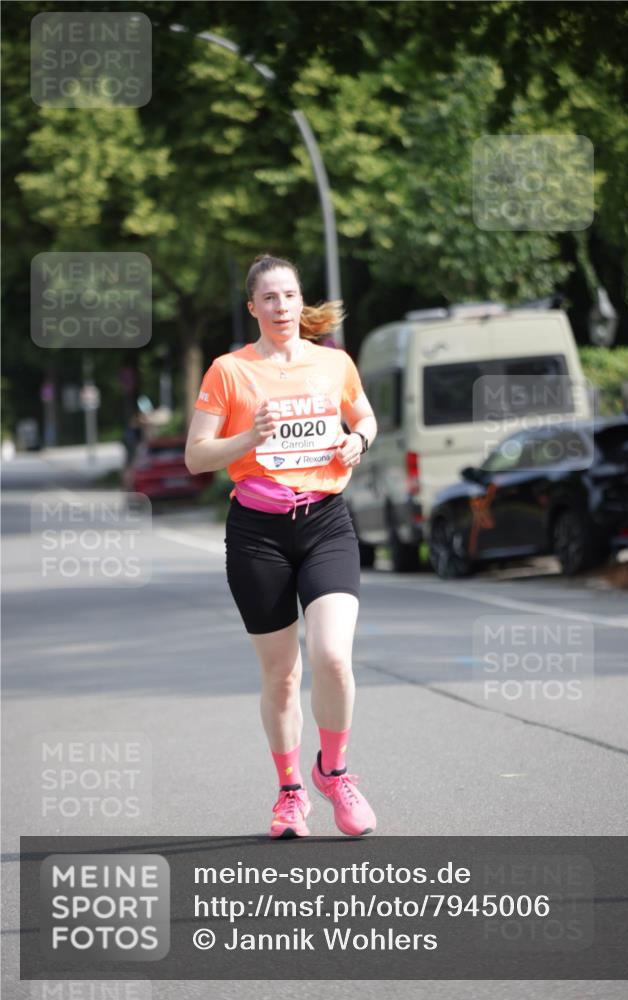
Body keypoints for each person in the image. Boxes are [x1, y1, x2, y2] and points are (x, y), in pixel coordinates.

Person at [185, 254, 378, 839]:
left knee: (334, 657)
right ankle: (291, 793)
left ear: (301, 302)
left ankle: (335, 772)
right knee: (283, 677)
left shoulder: (334, 363)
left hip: (325, 523)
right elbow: (197, 456)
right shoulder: (229, 371)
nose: (281, 307)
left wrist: (357, 442)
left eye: (289, 296)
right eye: (268, 298)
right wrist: (250, 436)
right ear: (253, 308)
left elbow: (364, 416)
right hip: (257, 532)